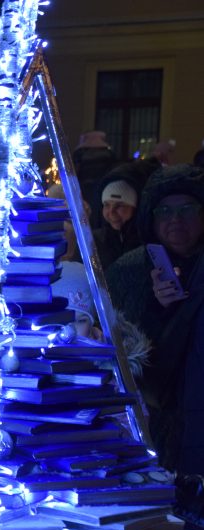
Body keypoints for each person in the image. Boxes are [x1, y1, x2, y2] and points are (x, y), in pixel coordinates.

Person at [105, 165, 204, 471]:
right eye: (165, 211)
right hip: (150, 427)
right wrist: (157, 310)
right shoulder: (128, 270)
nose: (176, 220)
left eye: (187, 209)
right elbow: (118, 352)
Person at [92, 160, 159, 268]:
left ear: (135, 207)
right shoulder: (94, 241)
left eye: (120, 206)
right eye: (106, 204)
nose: (111, 212)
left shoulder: (148, 240)